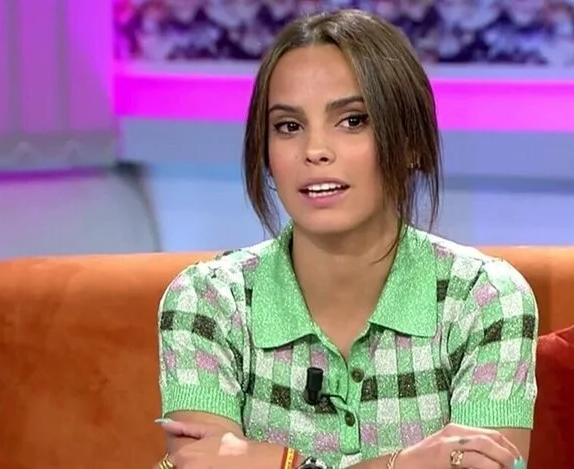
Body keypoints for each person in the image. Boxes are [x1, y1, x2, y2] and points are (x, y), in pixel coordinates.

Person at [155, 8, 538, 469]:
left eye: (353, 120)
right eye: (289, 126)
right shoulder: (208, 302)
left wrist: (276, 462)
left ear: (411, 142)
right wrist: (402, 465)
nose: (315, 151)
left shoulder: (486, 298)